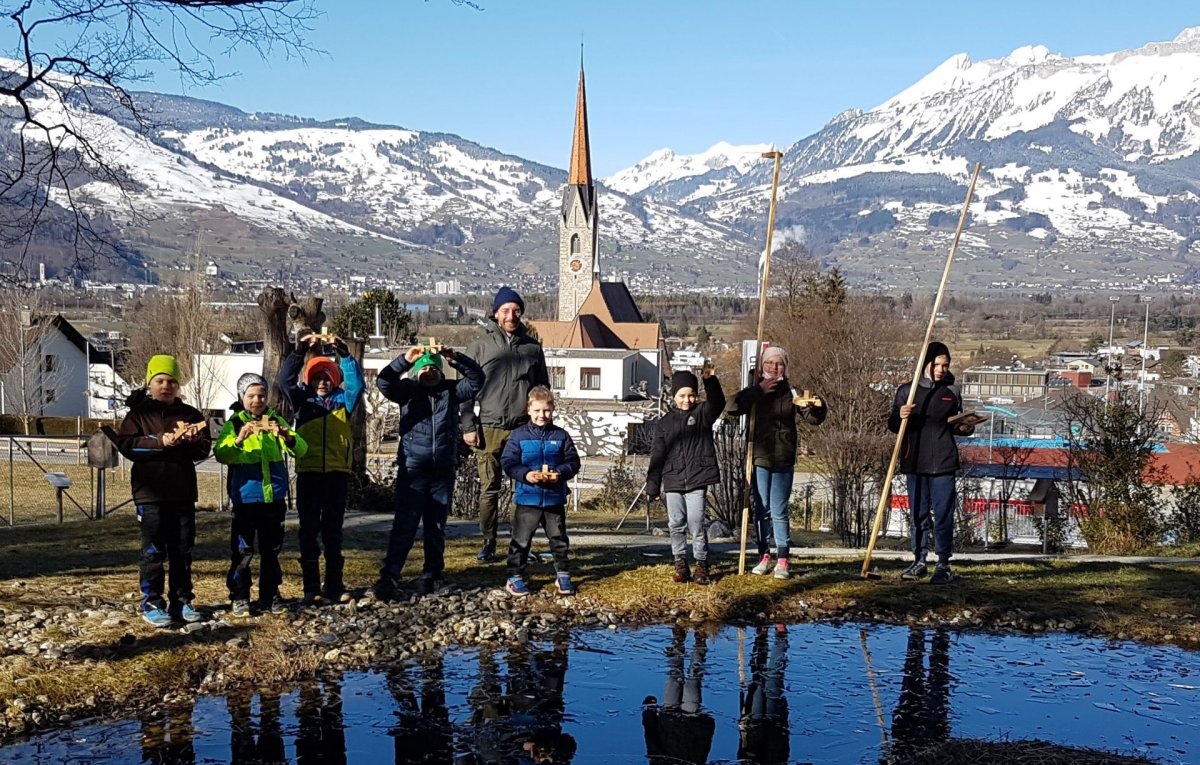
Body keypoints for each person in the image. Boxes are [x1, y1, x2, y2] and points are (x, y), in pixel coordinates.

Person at [370, 344, 484, 600]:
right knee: (405, 525)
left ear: (441, 372)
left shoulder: (451, 391)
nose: (429, 372)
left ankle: (432, 575)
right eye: (424, 369)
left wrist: (455, 358)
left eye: (434, 368)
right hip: (413, 469)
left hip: (442, 469)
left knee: (436, 526)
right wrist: (405, 360)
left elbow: (477, 379)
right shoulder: (407, 391)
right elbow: (384, 382)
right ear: (417, 372)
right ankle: (390, 575)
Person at [113, 354, 212, 628]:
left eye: (171, 381)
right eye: (160, 381)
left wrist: (191, 440)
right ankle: (152, 603)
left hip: (182, 492)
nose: (166, 386)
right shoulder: (138, 415)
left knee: (182, 550)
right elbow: (127, 446)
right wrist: (160, 442)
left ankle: (182, 600)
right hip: (150, 494)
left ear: (178, 385)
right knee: (153, 551)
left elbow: (203, 449)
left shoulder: (191, 414)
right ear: (150, 384)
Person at [461, 286, 550, 563]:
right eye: (505, 310)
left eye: (516, 310)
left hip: (523, 429)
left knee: (524, 488)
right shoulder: (479, 347)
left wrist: (541, 422)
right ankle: (488, 541)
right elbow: (465, 391)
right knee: (490, 488)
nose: (511, 315)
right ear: (496, 313)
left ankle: (520, 542)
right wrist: (468, 425)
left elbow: (542, 389)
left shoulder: (532, 348)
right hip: (488, 427)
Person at [278, 333, 364, 605]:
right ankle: (311, 587)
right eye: (317, 378)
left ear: (335, 380)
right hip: (309, 473)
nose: (322, 383)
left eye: (327, 378)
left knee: (333, 531)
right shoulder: (302, 400)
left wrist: (344, 353)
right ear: (309, 380)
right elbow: (284, 381)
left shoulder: (343, 401)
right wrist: (299, 351)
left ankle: (335, 584)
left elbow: (356, 384)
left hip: (337, 473)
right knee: (308, 531)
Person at [729, 345, 827, 580]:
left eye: (779, 363)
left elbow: (814, 418)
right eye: (769, 363)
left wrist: (817, 405)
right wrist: (757, 390)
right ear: (762, 365)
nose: (774, 367)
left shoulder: (791, 392)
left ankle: (783, 558)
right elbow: (732, 407)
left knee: (779, 510)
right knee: (761, 509)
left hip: (783, 458)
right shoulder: (755, 389)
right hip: (759, 457)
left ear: (785, 366)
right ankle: (764, 555)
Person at [213, 372, 307, 617]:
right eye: (251, 396)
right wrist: (239, 440)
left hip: (273, 498)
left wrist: (287, 437)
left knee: (271, 550)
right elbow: (222, 454)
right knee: (243, 551)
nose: (257, 400)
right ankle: (239, 595)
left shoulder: (276, 420)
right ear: (241, 398)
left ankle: (270, 593)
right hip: (245, 498)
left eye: (261, 395)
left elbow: (301, 450)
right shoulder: (234, 423)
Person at [887, 341, 974, 584]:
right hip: (914, 460)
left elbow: (956, 424)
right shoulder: (907, 391)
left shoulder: (952, 391)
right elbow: (893, 425)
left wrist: (965, 427)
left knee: (944, 514)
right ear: (926, 364)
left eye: (945, 365)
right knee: (918, 514)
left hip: (944, 461)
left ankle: (943, 564)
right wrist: (900, 416)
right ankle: (919, 561)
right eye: (937, 365)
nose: (941, 370)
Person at [646, 367, 725, 585]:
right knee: (676, 523)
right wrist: (653, 486)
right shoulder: (664, 423)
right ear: (674, 396)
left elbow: (718, 402)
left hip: (698, 479)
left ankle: (701, 564)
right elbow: (657, 456)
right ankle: (680, 562)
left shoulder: (703, 414)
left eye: (691, 395)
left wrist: (709, 380)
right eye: (682, 395)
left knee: (696, 523)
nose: (687, 400)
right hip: (672, 480)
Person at [500, 386, 580, 597]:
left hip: (554, 498)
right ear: (529, 410)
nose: (541, 415)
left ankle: (563, 574)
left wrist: (559, 473)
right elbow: (508, 462)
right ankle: (514, 576)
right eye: (537, 410)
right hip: (527, 498)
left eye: (546, 410)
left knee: (559, 539)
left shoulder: (561, 435)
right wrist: (526, 475)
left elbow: (573, 462)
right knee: (521, 540)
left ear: (552, 410)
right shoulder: (518, 435)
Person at [641, 625, 716, 765]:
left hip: (683, 723)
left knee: (689, 679)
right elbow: (652, 740)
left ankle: (694, 641)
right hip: (677, 722)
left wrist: (649, 711)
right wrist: (649, 711)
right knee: (679, 677)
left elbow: (652, 741)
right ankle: (683, 640)